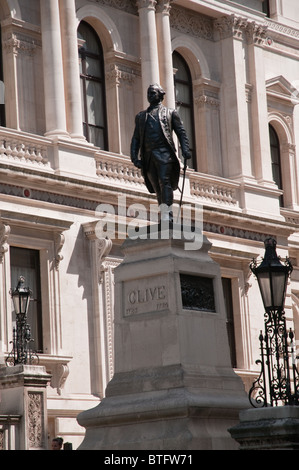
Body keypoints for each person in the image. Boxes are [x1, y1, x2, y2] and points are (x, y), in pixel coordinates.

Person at [130, 84, 191, 222]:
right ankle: (163, 212)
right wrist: (134, 157)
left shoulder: (170, 113)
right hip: (149, 156)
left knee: (165, 182)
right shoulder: (141, 117)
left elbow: (181, 132)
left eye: (153, 93)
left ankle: (167, 214)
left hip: (165, 154)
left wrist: (186, 150)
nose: (150, 95)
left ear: (160, 95)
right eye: (148, 93)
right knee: (157, 186)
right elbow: (136, 138)